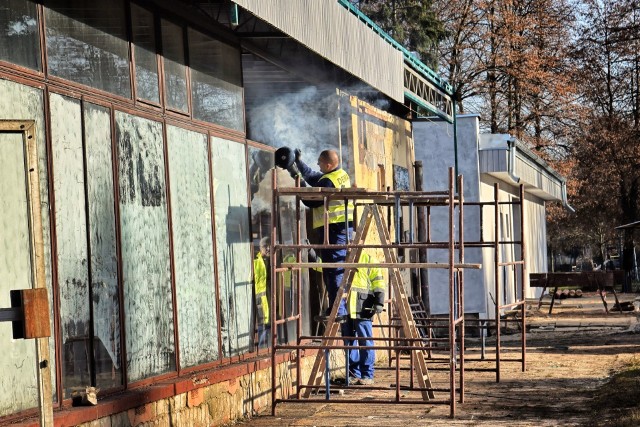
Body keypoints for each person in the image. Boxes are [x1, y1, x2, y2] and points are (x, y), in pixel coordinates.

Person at [293, 149, 354, 319]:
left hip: (334, 230)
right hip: (339, 229)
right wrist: (298, 163)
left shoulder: (328, 182)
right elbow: (313, 176)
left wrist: (299, 184)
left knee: (333, 269)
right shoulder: (339, 174)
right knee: (331, 269)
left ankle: (338, 311)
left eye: (320, 162)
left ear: (328, 165)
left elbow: (311, 202)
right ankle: (336, 309)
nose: (317, 165)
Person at [344, 251, 386, 385]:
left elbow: (379, 283)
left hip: (363, 307)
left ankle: (367, 375)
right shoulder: (341, 256)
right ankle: (353, 374)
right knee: (349, 343)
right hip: (345, 308)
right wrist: (313, 255)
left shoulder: (368, 260)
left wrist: (379, 302)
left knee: (365, 342)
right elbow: (325, 266)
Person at [253, 237, 271, 349]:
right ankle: (261, 349)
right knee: (262, 325)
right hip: (259, 298)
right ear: (261, 248)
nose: (268, 249)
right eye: (266, 247)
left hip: (263, 297)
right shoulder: (257, 261)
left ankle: (263, 347)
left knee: (265, 324)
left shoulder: (264, 260)